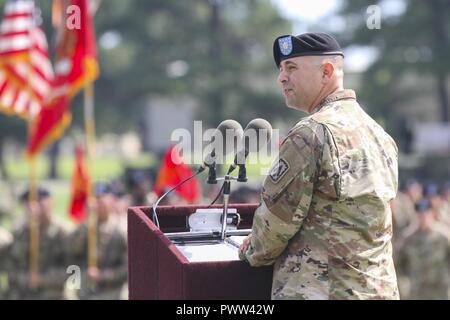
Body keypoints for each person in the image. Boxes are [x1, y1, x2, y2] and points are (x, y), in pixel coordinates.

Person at [239, 32, 399, 300]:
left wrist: (249, 249)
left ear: (326, 72)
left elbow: (274, 228)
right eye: (281, 69)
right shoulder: (380, 136)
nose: (282, 78)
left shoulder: (311, 133)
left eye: (291, 68)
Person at [6, 187, 71, 300]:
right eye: (28, 203)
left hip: (52, 295)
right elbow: (12, 265)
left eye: (38, 202)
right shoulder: (20, 231)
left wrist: (42, 279)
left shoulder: (63, 231)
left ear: (50, 202)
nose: (32, 207)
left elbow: (73, 268)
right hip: (21, 294)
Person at [67, 182, 127, 300]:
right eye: (95, 199)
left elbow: (128, 269)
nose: (97, 204)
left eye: (102, 199)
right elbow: (72, 252)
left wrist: (102, 276)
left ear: (112, 200)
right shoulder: (86, 227)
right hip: (86, 293)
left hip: (114, 293)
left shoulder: (122, 228)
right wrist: (86, 222)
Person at [396, 199, 450, 300]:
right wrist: (404, 285)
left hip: (440, 289)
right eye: (420, 214)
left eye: (426, 214)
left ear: (432, 213)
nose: (423, 217)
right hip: (416, 290)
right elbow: (398, 265)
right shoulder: (407, 239)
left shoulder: (443, 236)